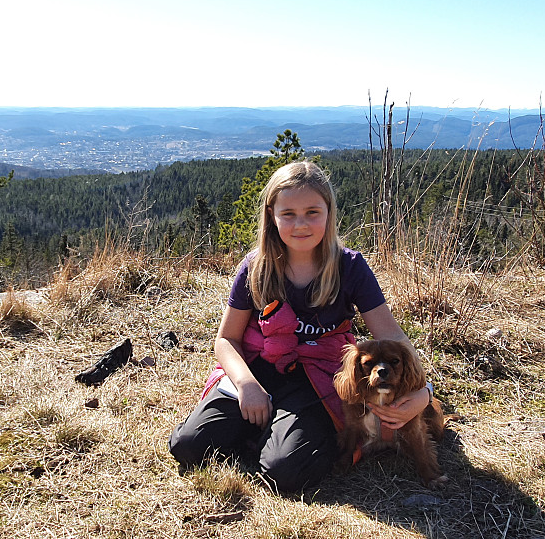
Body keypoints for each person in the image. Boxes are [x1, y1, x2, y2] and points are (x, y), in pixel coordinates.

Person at [169, 160, 431, 493]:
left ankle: (274, 433)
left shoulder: (349, 267)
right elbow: (227, 340)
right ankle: (264, 426)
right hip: (257, 370)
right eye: (288, 214)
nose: (301, 224)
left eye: (312, 212)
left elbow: (392, 336)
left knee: (286, 473)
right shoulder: (255, 267)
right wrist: (247, 385)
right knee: (188, 447)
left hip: (316, 380)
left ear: (329, 212)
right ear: (271, 215)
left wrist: (424, 393)